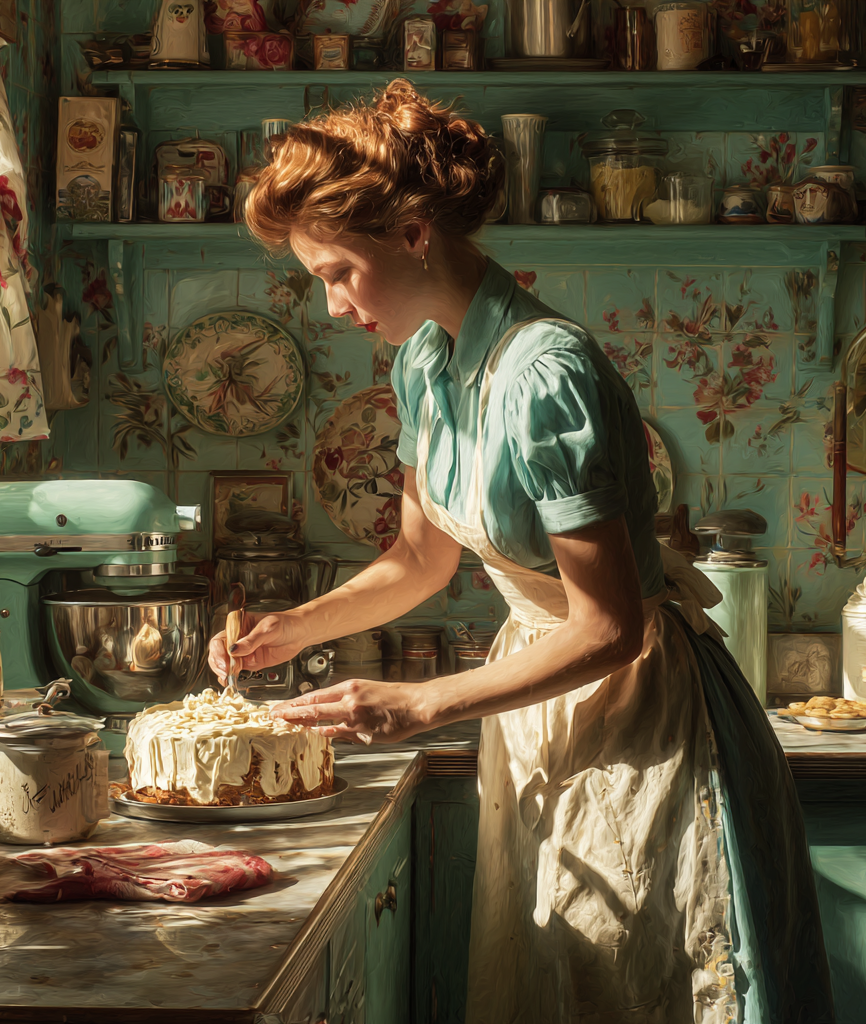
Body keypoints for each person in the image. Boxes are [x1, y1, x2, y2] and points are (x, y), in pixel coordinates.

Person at [208, 81, 833, 1023]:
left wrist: (420, 701)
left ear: (414, 231)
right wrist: (289, 628)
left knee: (635, 982)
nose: (332, 305)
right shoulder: (424, 361)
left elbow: (614, 627)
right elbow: (420, 560)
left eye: (337, 271)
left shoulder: (548, 373)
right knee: (550, 979)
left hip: (640, 717)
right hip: (538, 708)